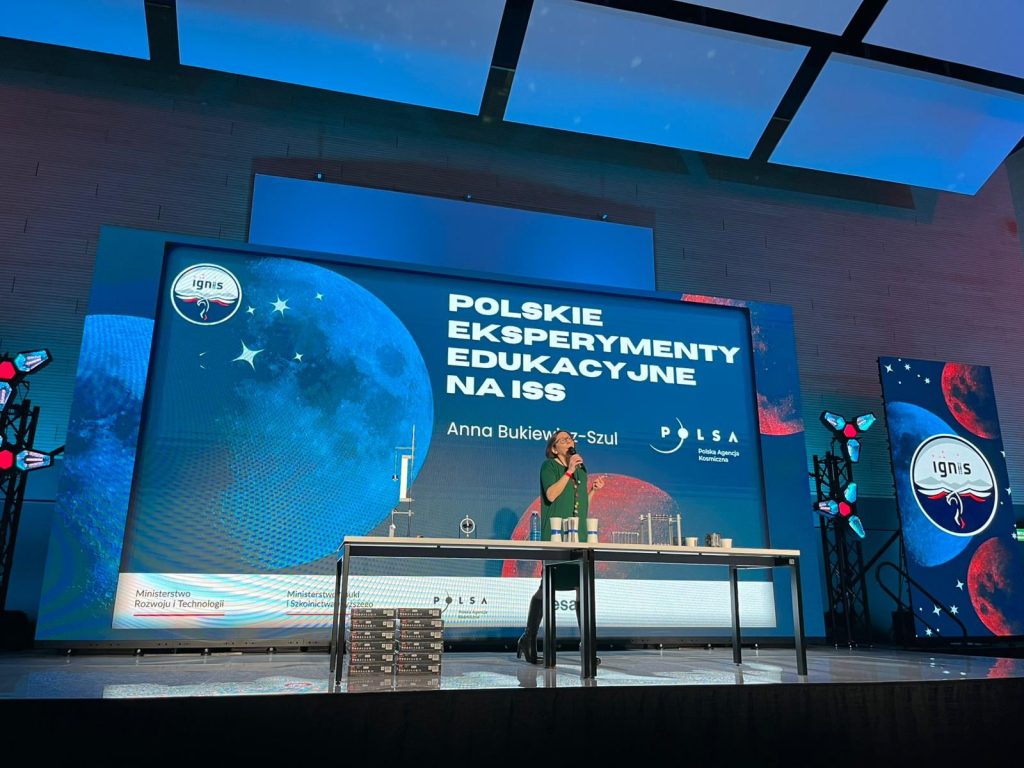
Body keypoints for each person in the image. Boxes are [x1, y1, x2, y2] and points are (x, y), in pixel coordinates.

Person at [516, 429, 605, 664]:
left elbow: (580, 505)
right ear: (554, 448)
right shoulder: (549, 467)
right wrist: (568, 471)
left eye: (570, 438)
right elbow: (552, 495)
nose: (569, 441)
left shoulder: (581, 470)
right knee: (547, 587)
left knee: (581, 587)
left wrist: (592, 491)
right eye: (563, 440)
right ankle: (529, 638)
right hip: (556, 534)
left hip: (578, 534)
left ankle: (586, 645)